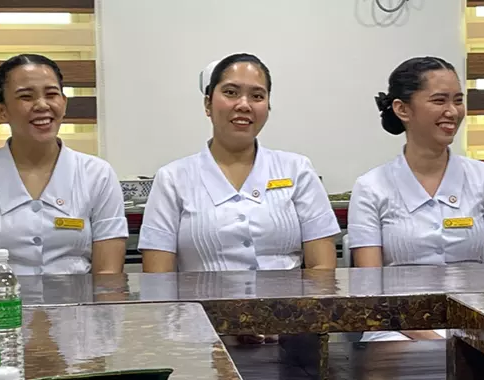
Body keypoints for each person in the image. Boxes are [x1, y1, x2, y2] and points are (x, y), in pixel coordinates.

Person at [348, 56, 484, 341]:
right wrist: (437, 341)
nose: (452, 111)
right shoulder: (371, 187)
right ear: (402, 109)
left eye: (458, 100)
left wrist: (476, 335)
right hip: (396, 326)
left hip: (479, 323)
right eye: (439, 101)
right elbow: (372, 291)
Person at [139, 52, 340, 274]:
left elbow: (322, 269)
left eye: (257, 96)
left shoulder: (297, 170)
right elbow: (159, 280)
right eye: (231, 93)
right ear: (208, 104)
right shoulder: (172, 179)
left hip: (287, 308)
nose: (244, 105)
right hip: (199, 308)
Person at [0, 54, 128, 276]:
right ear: (1, 110)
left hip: (78, 308)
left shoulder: (98, 174)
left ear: (64, 103)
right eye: (26, 96)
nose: (42, 105)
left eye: (51, 94)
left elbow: (108, 275)